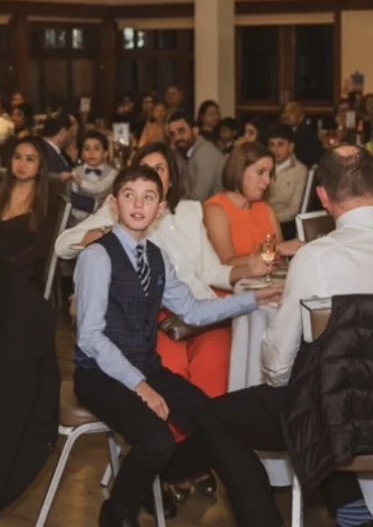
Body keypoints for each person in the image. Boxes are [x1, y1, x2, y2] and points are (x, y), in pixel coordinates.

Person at [199, 145, 373, 527]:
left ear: (323, 196)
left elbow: (278, 360)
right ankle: (350, 507)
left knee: (216, 417)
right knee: (319, 393)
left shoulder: (317, 257)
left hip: (337, 417)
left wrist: (288, 386)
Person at [73, 166, 279, 527]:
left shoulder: (156, 257)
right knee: (156, 441)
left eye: (148, 197)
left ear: (160, 208)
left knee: (218, 424)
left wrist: (251, 300)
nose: (138, 204)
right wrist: (141, 386)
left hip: (146, 367)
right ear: (113, 203)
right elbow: (89, 338)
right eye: (129, 195)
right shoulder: (97, 256)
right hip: (100, 375)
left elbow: (193, 310)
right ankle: (116, 516)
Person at [58, 144, 272, 401]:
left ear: (170, 179)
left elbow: (209, 270)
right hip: (153, 317)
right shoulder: (121, 210)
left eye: (159, 169)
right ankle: (174, 438)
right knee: (171, 366)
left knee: (214, 360)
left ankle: (205, 434)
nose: (152, 175)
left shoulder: (190, 211)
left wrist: (246, 270)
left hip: (198, 309)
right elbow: (63, 246)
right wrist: (106, 234)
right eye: (145, 169)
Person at [0, 138, 64, 288]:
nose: (21, 164)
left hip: (24, 275)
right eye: (17, 157)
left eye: (30, 159)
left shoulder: (49, 200)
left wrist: (6, 268)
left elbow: (41, 248)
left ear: (40, 166)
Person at [203, 141, 296, 264]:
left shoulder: (265, 209)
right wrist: (274, 249)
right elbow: (226, 265)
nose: (267, 181)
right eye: (260, 172)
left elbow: (281, 260)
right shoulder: (215, 210)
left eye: (270, 174)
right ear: (239, 170)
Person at [165, 110, 225, 203]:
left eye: (181, 131)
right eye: (172, 134)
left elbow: (197, 200)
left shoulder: (205, 153)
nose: (177, 138)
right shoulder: (185, 152)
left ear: (195, 131)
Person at [265, 126, 307, 235]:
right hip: (258, 219)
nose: (275, 150)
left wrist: (269, 220)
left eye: (280, 144)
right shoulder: (263, 166)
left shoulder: (300, 170)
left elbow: (294, 210)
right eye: (271, 144)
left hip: (284, 225)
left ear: (291, 147)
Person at [70, 130, 116, 217]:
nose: (91, 153)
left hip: (105, 218)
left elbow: (99, 188)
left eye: (97, 148)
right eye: (87, 149)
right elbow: (73, 201)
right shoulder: (76, 172)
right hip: (80, 220)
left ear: (105, 154)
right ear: (82, 154)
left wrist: (81, 182)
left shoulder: (112, 173)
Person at [40, 113, 75, 177]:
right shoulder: (49, 155)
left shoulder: (40, 147)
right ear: (62, 133)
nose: (71, 138)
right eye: (70, 133)